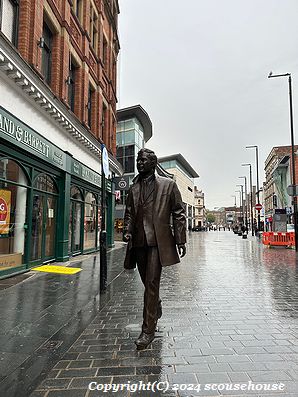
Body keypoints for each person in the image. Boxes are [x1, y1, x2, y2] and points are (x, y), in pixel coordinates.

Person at [123, 148, 186, 350]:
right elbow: (129, 214)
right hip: (139, 241)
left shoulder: (168, 185)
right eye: (137, 161)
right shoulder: (133, 188)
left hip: (158, 242)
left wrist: (180, 239)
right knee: (147, 282)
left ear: (153, 163)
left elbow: (178, 212)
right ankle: (155, 303)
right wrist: (127, 230)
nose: (139, 164)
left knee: (151, 281)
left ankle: (148, 330)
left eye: (143, 161)